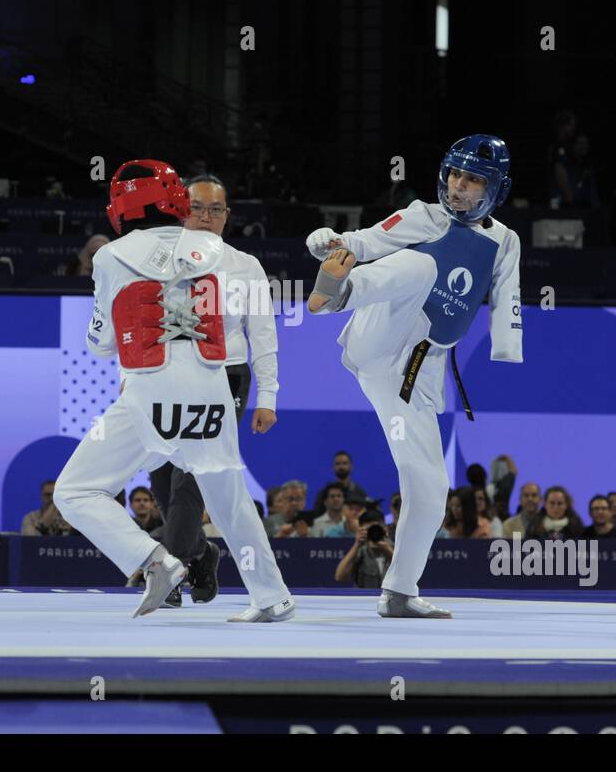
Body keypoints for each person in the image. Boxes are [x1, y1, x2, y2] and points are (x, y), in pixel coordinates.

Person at [52, 159, 294, 621]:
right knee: (228, 500)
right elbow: (236, 325)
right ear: (174, 200)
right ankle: (272, 597)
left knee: (76, 491)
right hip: (213, 386)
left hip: (150, 390)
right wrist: (268, 395)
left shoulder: (110, 255)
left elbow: (102, 343)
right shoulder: (219, 252)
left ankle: (156, 560)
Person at [303, 135, 522, 618]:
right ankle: (339, 293)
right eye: (454, 175)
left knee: (430, 485)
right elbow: (364, 241)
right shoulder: (423, 214)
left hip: (420, 371)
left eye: (472, 180)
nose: (458, 187)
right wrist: (328, 244)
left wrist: (508, 349)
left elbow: (508, 297)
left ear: (495, 189)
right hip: (379, 337)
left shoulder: (506, 241)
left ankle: (400, 590)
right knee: (421, 263)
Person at [146, 174, 281, 606]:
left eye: (216, 210)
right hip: (168, 375)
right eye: (197, 207)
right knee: (162, 476)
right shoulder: (156, 261)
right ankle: (203, 554)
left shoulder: (246, 267)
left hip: (226, 376)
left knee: (193, 475)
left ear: (228, 215)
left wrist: (268, 397)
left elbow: (263, 336)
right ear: (180, 210)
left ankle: (171, 569)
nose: (206, 217)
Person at [335, 510, 394, 588]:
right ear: (361, 530)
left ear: (385, 528)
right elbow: (340, 577)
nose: (374, 533)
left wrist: (388, 551)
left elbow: (408, 575)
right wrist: (357, 545)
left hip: (392, 598)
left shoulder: (396, 549)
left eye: (377, 529)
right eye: (369, 530)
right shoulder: (359, 551)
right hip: (366, 598)